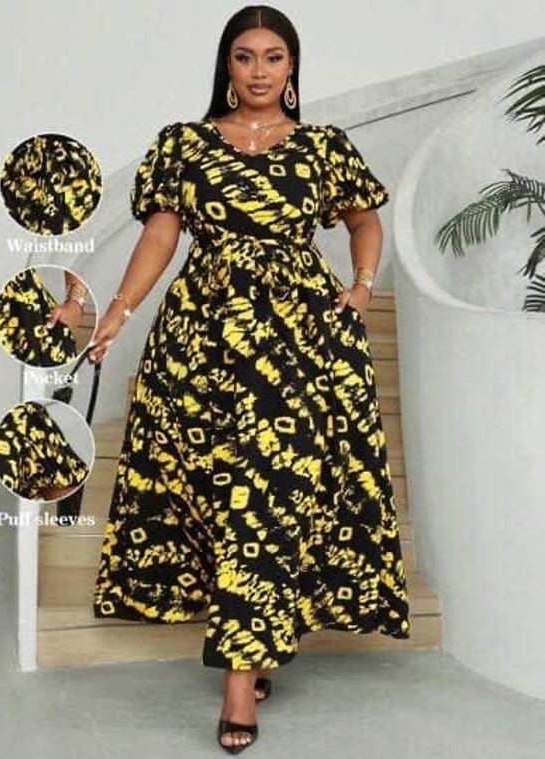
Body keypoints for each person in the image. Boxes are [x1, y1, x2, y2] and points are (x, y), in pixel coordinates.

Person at [90, 5, 410, 753]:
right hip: (202, 340)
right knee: (214, 489)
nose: (259, 70)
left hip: (302, 341)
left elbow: (364, 220)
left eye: (273, 56)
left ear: (291, 67)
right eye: (244, 56)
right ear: (226, 66)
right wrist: (119, 308)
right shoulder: (185, 143)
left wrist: (363, 285)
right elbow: (162, 233)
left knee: (270, 491)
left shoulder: (324, 146)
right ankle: (256, 639)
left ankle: (239, 681)